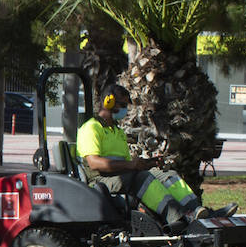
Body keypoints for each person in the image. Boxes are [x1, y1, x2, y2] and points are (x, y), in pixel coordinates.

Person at [77, 84, 227, 227]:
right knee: (143, 178)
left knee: (167, 174)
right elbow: (94, 163)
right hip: (101, 180)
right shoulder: (91, 128)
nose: (125, 109)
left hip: (121, 176)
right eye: (122, 105)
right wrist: (131, 166)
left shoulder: (117, 131)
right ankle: (178, 217)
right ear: (108, 102)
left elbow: (126, 162)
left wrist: (151, 163)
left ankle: (198, 212)